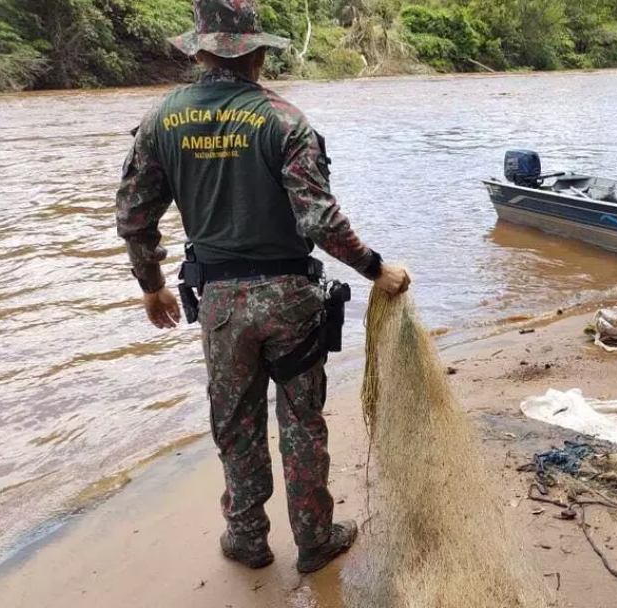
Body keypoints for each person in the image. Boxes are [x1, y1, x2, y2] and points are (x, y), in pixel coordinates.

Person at [114, 0, 409, 574]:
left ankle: (247, 538)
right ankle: (314, 540)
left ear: (200, 50)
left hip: (220, 305)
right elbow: (320, 223)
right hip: (292, 300)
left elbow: (133, 216)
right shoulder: (284, 120)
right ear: (256, 54)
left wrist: (151, 285)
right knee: (301, 421)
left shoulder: (160, 120)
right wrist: (377, 269)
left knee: (235, 423)